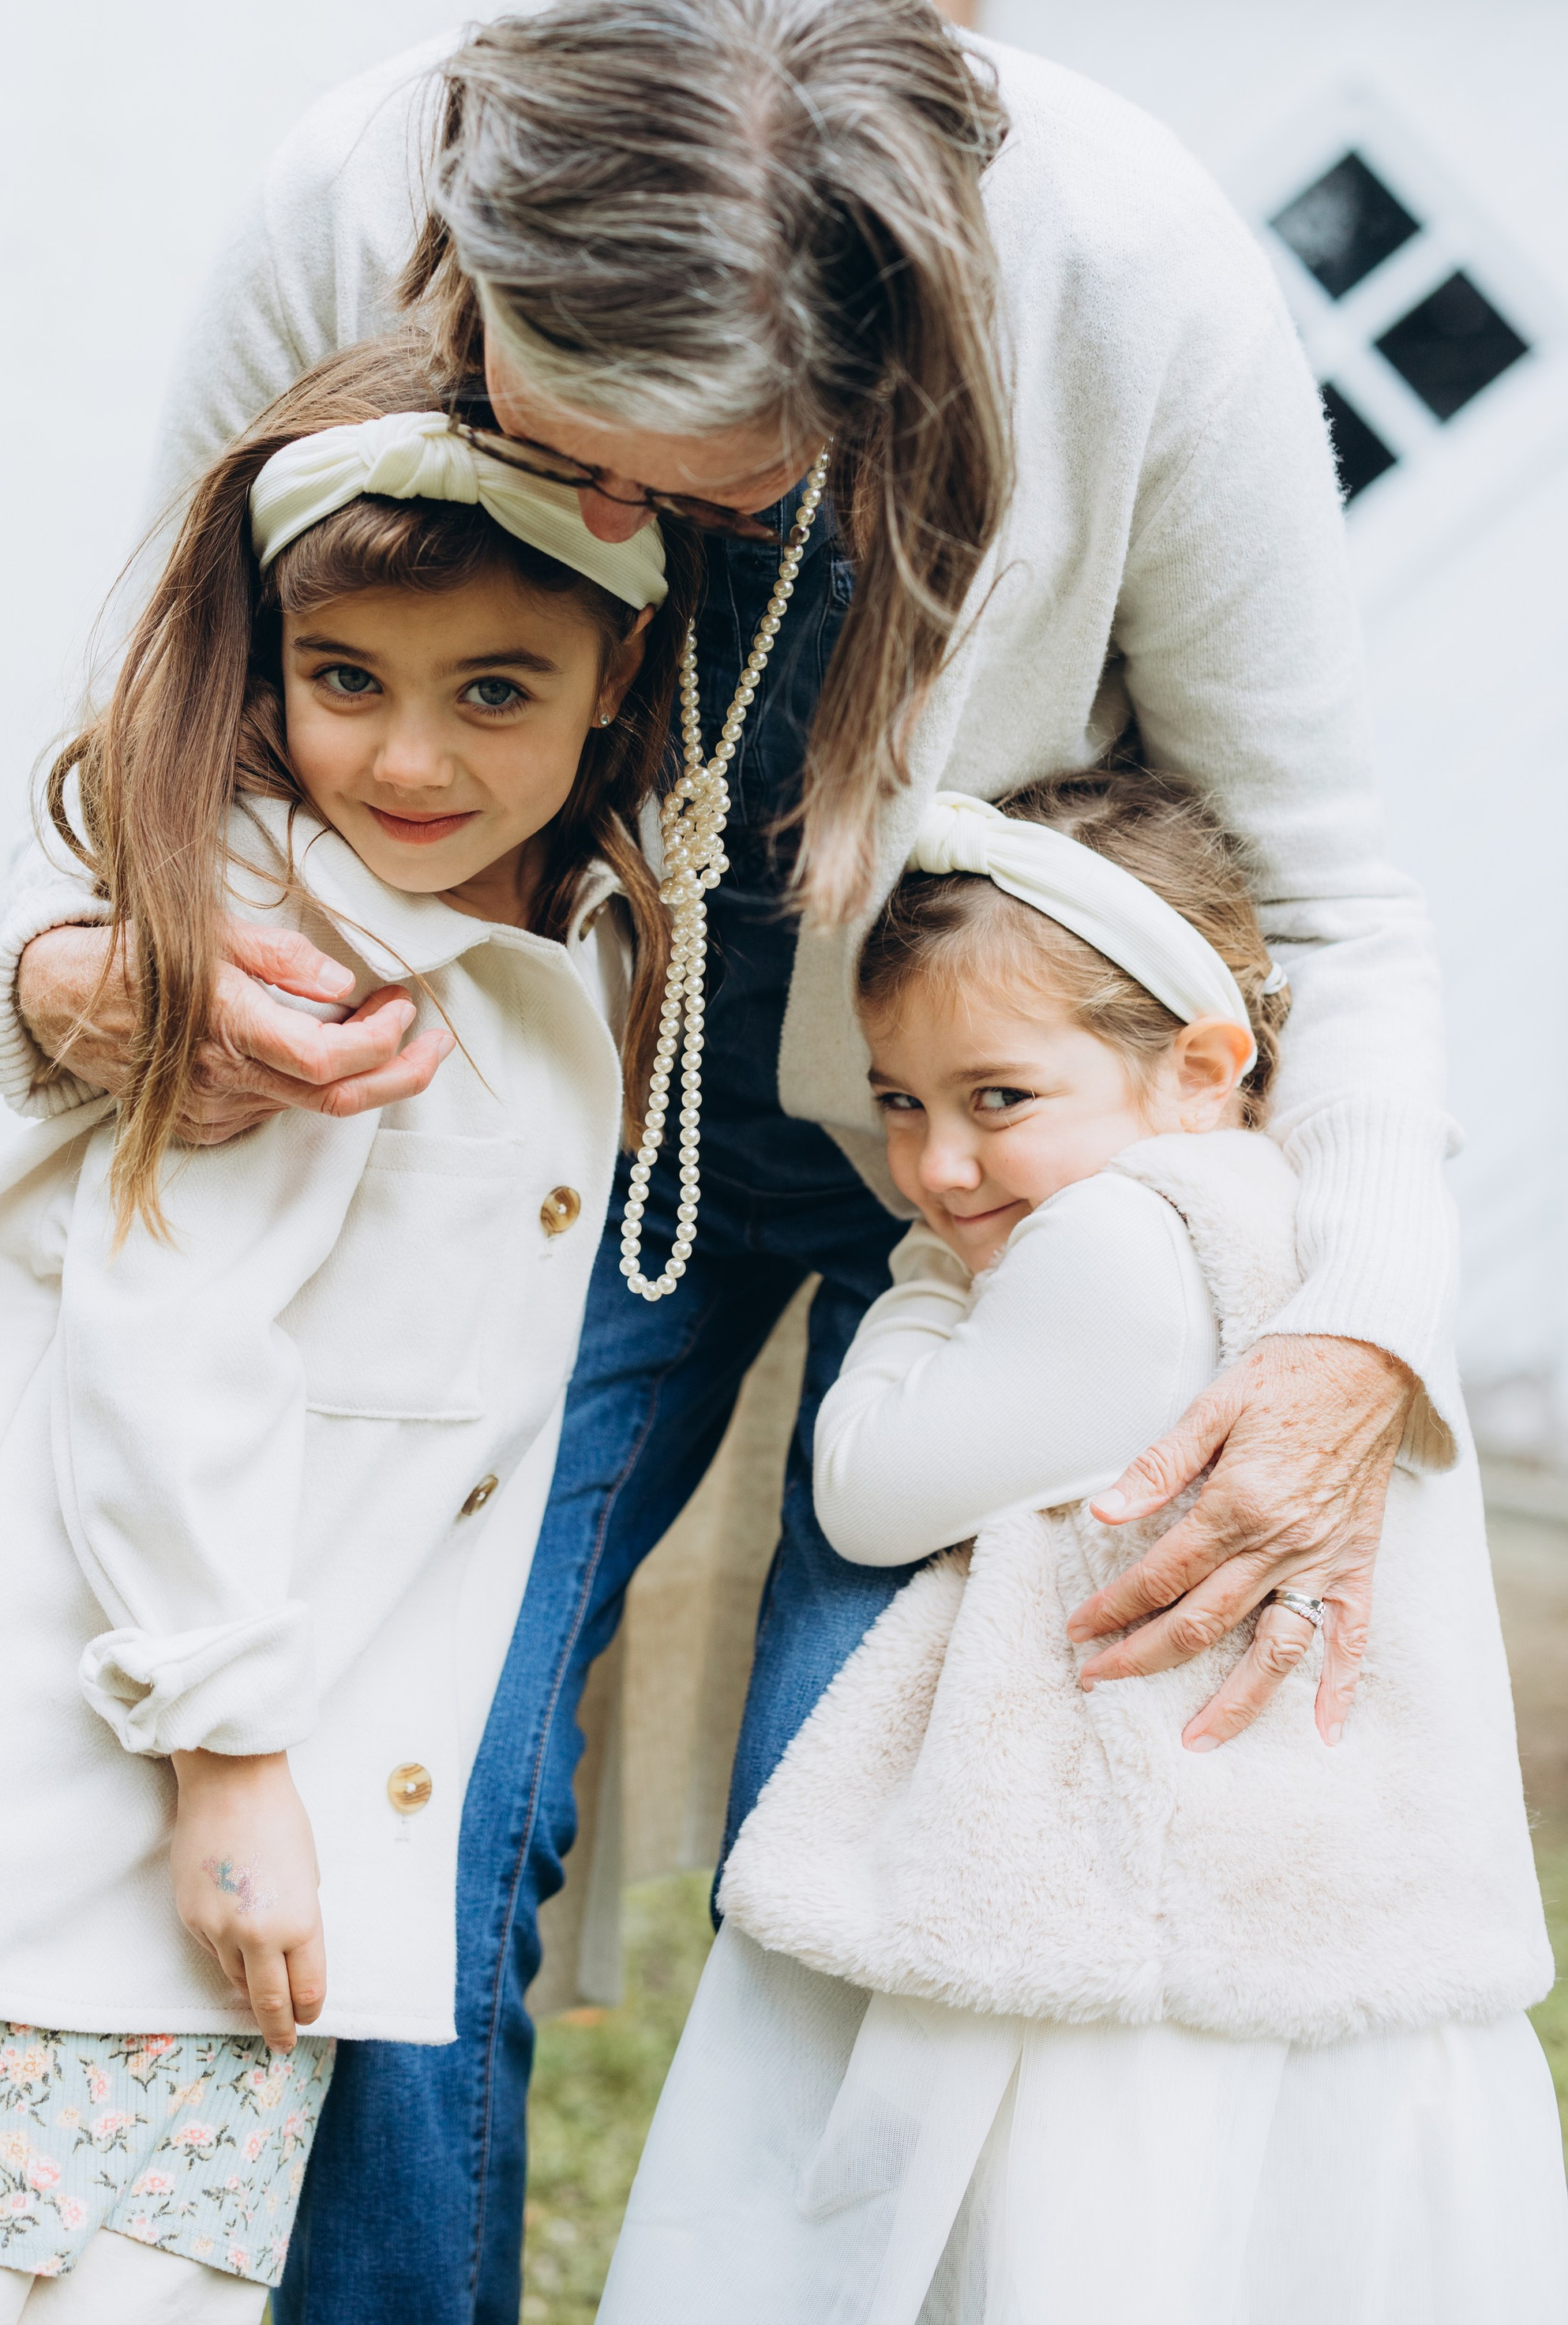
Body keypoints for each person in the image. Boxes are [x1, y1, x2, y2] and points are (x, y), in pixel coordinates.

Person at [0, 0, 1456, 2325]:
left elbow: (1332, 878)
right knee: (410, 1771)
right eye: (535, 441)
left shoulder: (1135, 270)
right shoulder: (346, 203)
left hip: (1003, 1167)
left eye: (686, 488)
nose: (592, 512)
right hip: (518, 1112)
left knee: (898, 1826)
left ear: (884, 377)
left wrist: (1357, 1333)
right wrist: (81, 973)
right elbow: (159, 730)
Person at [0, 331, 699, 2323]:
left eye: (497, 692)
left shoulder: (543, 948)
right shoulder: (298, 959)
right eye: (345, 682)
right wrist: (224, 1755)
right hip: (106, 1743)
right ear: (269, 663)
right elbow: (168, 1337)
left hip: (234, 1753)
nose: (407, 760)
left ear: (612, 680)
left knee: (127, 2259)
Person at [601, 769, 1567, 2323]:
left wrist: (915, 1280)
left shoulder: (1115, 1244)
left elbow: (865, 1487)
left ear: (1196, 1066)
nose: (939, 1168)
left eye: (997, 1099)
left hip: (1104, 1917)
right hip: (1279, 1892)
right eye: (898, 1103)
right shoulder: (1306, 1230)